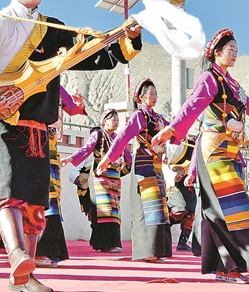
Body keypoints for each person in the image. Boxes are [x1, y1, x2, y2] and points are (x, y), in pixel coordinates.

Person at [0, 0, 142, 292]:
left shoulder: (53, 28)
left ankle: (25, 276)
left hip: (38, 131)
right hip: (1, 122)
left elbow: (93, 53)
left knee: (33, 205)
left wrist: (126, 37)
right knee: (5, 194)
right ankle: (17, 256)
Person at [152, 28, 249, 283]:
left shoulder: (233, 83)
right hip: (214, 151)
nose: (235, 54)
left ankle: (226, 268)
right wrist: (172, 129)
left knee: (219, 210)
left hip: (231, 152)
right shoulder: (209, 78)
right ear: (216, 52)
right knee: (235, 206)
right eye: (230, 49)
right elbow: (192, 106)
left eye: (237, 50)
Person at [97, 79, 172, 263]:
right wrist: (107, 159)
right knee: (147, 207)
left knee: (159, 205)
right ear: (141, 97)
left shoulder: (159, 118)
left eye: (156, 93)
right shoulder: (140, 115)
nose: (154, 97)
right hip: (143, 165)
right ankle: (147, 252)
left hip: (156, 165)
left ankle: (157, 251)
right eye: (151, 94)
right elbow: (123, 137)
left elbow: (173, 130)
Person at [62, 108, 128, 253]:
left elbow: (127, 157)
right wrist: (71, 158)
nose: (116, 122)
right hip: (99, 178)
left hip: (114, 178)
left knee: (114, 211)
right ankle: (104, 243)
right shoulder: (98, 134)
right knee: (103, 210)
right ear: (104, 121)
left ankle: (112, 243)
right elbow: (86, 149)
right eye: (113, 119)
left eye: (117, 120)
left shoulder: (118, 138)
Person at [34, 86, 87, 267]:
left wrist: (79, 104)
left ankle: (49, 250)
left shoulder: (56, 86)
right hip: (32, 143)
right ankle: (37, 251)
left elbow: (72, 109)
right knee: (39, 195)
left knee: (52, 196)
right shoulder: (30, 78)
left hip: (51, 146)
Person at [166, 133, 198, 252]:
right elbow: (164, 162)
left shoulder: (193, 144)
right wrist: (172, 175)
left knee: (191, 211)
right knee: (179, 209)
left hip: (187, 182)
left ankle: (183, 241)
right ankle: (162, 231)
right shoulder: (169, 141)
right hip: (173, 182)